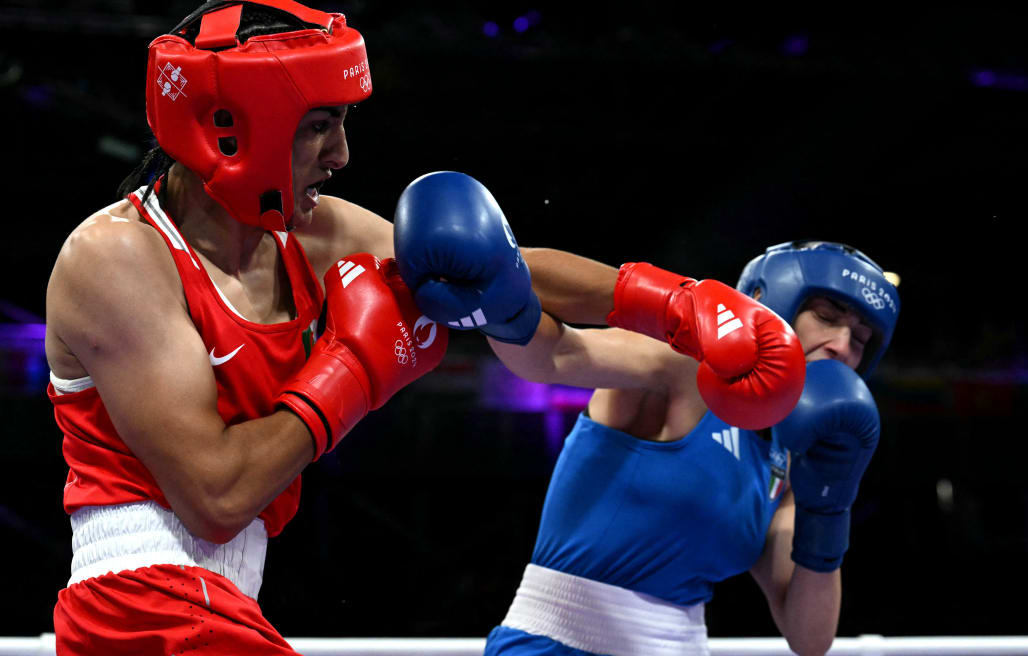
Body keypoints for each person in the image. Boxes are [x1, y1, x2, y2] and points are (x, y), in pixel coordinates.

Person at [44, 2, 449, 653]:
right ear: (231, 128)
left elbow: (486, 271)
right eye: (319, 125)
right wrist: (352, 368)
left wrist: (656, 304)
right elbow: (218, 496)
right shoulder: (118, 255)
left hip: (210, 608)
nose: (341, 154)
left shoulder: (313, 235)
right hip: (148, 607)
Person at [391, 173, 900, 656]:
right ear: (772, 305)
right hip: (556, 642)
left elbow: (809, 638)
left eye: (859, 340)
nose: (841, 346)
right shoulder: (683, 368)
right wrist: (495, 294)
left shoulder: (792, 468)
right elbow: (556, 354)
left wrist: (833, 502)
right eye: (828, 319)